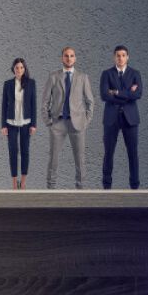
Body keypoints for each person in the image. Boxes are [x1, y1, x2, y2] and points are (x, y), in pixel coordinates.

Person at [41, 46, 94, 189]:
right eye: (66, 56)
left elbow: (90, 101)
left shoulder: (83, 77)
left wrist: (85, 121)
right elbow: (45, 101)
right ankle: (50, 189)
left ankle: (81, 189)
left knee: (80, 159)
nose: (69, 58)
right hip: (57, 123)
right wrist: (48, 122)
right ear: (62, 58)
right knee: (53, 158)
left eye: (71, 56)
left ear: (75, 58)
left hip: (77, 124)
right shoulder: (53, 76)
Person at [100, 45, 143, 189]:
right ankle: (106, 186)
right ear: (114, 57)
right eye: (118, 55)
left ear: (128, 57)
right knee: (108, 153)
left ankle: (135, 186)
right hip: (111, 118)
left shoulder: (135, 73)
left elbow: (138, 95)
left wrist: (116, 92)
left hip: (130, 119)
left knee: (133, 153)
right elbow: (104, 95)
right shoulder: (106, 74)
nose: (121, 58)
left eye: (123, 55)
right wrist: (127, 94)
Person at [0, 58, 37, 189]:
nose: (19, 70)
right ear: (13, 69)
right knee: (13, 151)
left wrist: (34, 124)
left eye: (21, 67)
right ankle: (14, 182)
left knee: (25, 150)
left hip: (26, 122)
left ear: (24, 69)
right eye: (17, 68)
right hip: (11, 122)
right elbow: (4, 105)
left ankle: (24, 181)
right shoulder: (8, 84)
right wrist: (3, 125)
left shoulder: (31, 83)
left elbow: (33, 104)